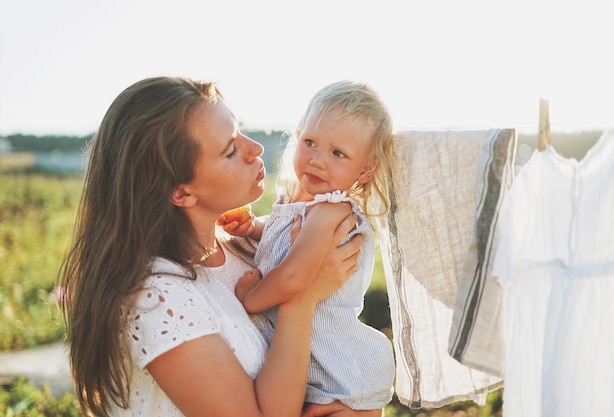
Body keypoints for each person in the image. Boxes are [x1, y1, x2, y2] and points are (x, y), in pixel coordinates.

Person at [58, 76, 377, 417]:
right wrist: (301, 298)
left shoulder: (244, 249)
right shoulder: (157, 297)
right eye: (230, 150)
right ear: (182, 193)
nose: (255, 148)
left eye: (240, 131)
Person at [218, 80, 396, 415]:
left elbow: (294, 277)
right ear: (298, 134)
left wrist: (251, 299)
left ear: (366, 169)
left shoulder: (331, 214)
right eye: (310, 142)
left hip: (341, 379)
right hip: (317, 375)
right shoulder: (302, 206)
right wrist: (254, 228)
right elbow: (286, 242)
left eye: (338, 153)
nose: (318, 161)